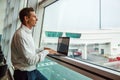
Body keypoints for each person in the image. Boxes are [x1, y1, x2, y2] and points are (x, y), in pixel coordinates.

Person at [11, 7, 57, 80]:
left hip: (31, 70)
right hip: (24, 74)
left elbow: (31, 52)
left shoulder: (27, 33)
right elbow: (30, 60)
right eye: (34, 16)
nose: (37, 19)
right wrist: (47, 52)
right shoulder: (21, 35)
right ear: (26, 18)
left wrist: (43, 49)